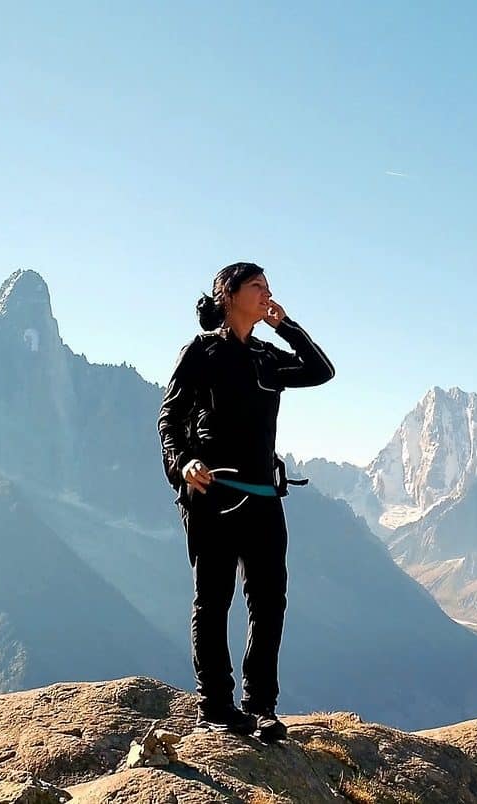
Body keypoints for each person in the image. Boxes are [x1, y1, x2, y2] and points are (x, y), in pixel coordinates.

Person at [157, 262, 335, 741]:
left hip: (262, 497)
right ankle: (215, 704)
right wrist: (184, 464)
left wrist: (286, 326)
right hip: (212, 495)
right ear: (229, 294)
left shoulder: (264, 355)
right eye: (257, 287)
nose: (267, 294)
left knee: (269, 601)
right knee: (214, 600)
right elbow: (170, 419)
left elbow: (322, 371)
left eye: (268, 287)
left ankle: (260, 706)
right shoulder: (201, 352)